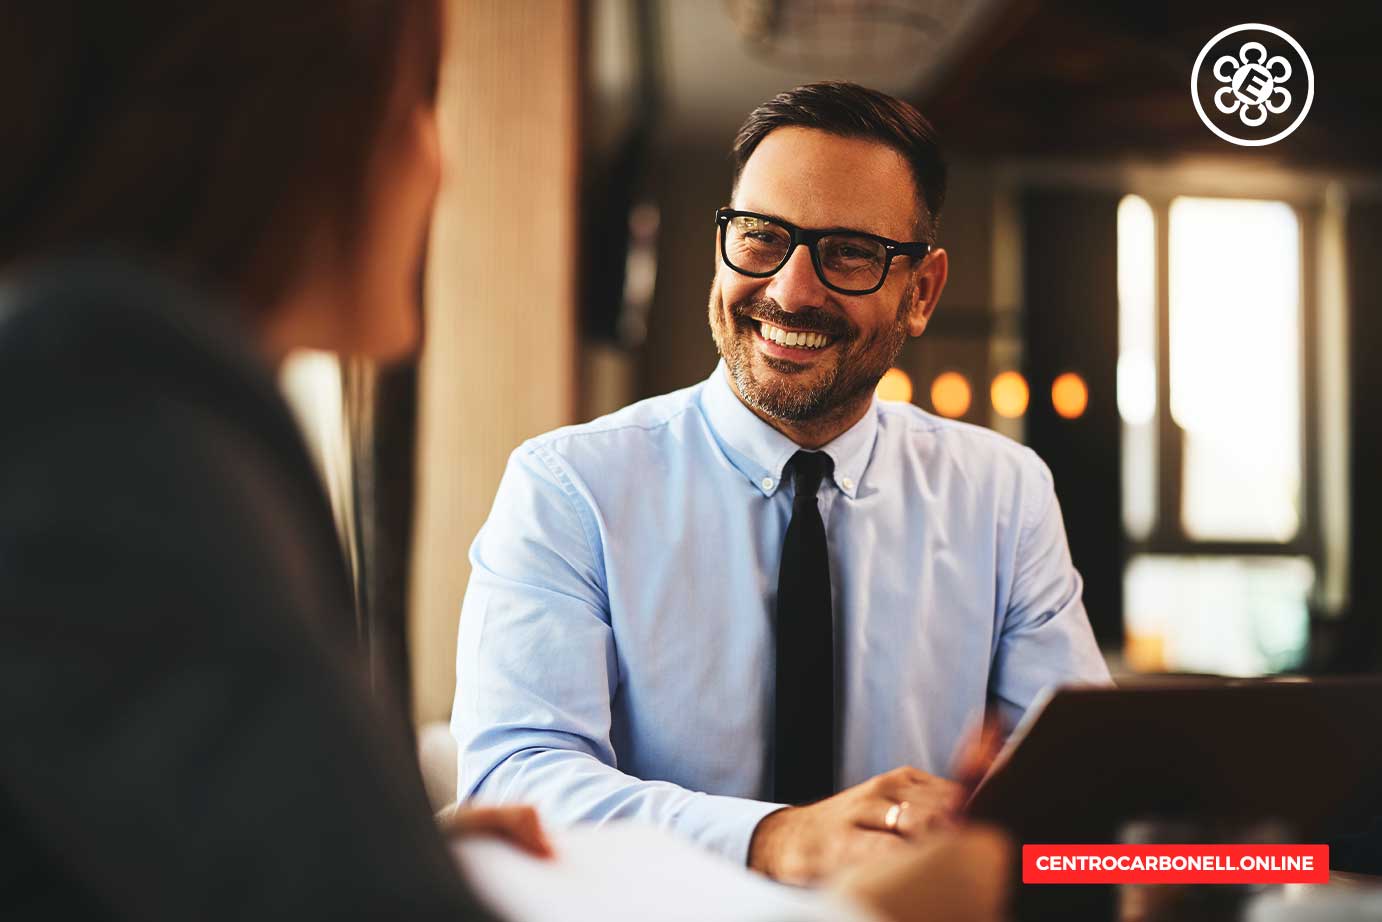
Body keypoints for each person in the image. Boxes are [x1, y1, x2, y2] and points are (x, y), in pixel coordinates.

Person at [0, 6, 1008, 922]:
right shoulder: (104, 399)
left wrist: (427, 858)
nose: (438, 165)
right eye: (415, 108)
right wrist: (869, 916)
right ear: (284, 133)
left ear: (919, 291)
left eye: (843, 253)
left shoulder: (141, 400)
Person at [453, 81, 1111, 884]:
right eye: (762, 238)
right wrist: (776, 839)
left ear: (922, 292)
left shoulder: (1004, 495)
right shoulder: (569, 488)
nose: (792, 290)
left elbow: (1081, 785)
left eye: (849, 253)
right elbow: (513, 779)